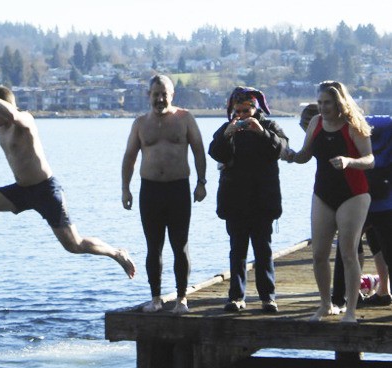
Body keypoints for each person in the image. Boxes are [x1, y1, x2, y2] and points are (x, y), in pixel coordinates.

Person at [0, 63, 135, 278]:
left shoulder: (24, 120)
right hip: (22, 190)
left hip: (46, 191)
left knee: (73, 244)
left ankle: (116, 253)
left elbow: (12, 115)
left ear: (6, 107)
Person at [284, 82, 374, 322]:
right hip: (323, 193)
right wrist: (290, 156)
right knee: (319, 254)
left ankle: (351, 311)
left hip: (353, 193)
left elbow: (370, 159)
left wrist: (349, 161)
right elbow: (305, 155)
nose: (323, 107)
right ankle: (325, 305)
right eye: (320, 103)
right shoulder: (315, 123)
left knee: (347, 253)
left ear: (339, 103)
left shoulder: (353, 126)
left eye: (327, 103)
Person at [121, 75, 207, 313]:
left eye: (164, 94)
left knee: (180, 245)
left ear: (172, 95)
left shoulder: (185, 119)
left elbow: (199, 150)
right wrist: (125, 188)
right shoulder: (139, 124)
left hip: (178, 188)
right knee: (153, 247)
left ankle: (181, 298)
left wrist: (201, 182)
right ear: (148, 96)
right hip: (150, 190)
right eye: (155, 94)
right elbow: (129, 157)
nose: (160, 99)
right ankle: (156, 298)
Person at [298, 104, 392, 311]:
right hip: (358, 194)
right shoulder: (327, 133)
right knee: (351, 246)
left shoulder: (364, 124)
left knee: (379, 245)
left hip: (380, 193)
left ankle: (350, 297)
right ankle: (346, 297)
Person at [208, 86, 288, 313]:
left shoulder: (270, 127)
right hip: (235, 202)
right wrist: (227, 135)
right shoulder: (227, 129)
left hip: (263, 201)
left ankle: (268, 297)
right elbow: (215, 152)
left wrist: (261, 132)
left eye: (246, 111)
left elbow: (280, 148)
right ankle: (236, 297)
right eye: (238, 111)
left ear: (255, 108)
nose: (242, 116)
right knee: (237, 251)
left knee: (263, 250)